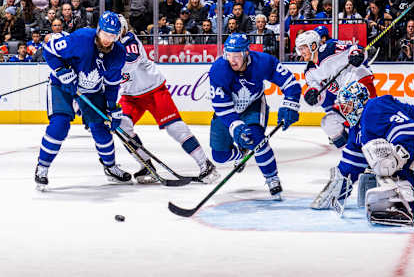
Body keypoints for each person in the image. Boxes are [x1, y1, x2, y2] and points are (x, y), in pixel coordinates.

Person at [311, 81, 414, 226]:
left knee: (384, 162)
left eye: (347, 105)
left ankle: (410, 201)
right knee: (380, 159)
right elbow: (350, 166)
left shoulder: (375, 107)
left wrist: (397, 158)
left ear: (358, 101)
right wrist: (336, 188)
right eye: (343, 107)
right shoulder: (357, 130)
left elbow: (408, 132)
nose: (345, 111)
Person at [116, 15, 219, 184]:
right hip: (130, 96)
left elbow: (131, 62)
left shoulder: (129, 40)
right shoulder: (106, 48)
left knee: (176, 128)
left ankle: (205, 165)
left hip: (153, 89)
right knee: (122, 126)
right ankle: (146, 165)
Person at [34, 11, 131, 190]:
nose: (108, 39)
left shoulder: (118, 53)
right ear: (98, 30)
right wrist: (62, 71)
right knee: (60, 124)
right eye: (105, 34)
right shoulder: (81, 38)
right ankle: (42, 167)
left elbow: (111, 85)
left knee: (101, 128)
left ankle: (110, 167)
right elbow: (49, 51)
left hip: (91, 90)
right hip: (62, 85)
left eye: (113, 35)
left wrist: (112, 107)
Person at [208, 33, 301, 199]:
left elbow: (290, 83)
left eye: (236, 56)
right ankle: (241, 154)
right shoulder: (218, 70)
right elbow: (221, 105)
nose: (232, 60)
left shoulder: (263, 62)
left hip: (254, 105)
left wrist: (291, 104)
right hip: (229, 109)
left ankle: (272, 178)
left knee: (257, 140)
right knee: (219, 156)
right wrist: (235, 126)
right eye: (229, 55)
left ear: (246, 53)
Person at [296, 28, 376, 150]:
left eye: (303, 48)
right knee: (328, 123)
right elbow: (319, 94)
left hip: (360, 82)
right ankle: (351, 151)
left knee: (366, 122)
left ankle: (374, 144)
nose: (301, 52)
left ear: (313, 46)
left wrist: (357, 54)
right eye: (299, 49)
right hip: (345, 99)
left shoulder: (329, 48)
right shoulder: (309, 72)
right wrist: (313, 97)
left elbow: (356, 48)